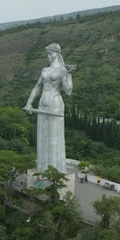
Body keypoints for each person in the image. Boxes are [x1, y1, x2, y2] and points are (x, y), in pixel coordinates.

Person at [24, 43, 75, 173]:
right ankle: (42, 167)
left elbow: (68, 91)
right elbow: (37, 87)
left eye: (50, 53)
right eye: (47, 54)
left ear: (57, 54)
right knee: (42, 135)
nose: (48, 56)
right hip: (42, 102)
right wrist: (29, 103)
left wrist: (68, 75)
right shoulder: (45, 70)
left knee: (54, 136)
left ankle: (54, 170)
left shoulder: (63, 70)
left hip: (55, 102)